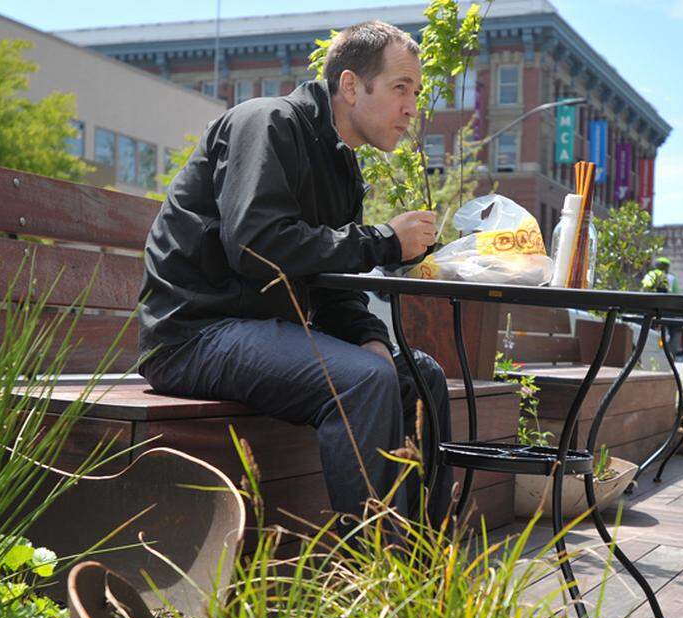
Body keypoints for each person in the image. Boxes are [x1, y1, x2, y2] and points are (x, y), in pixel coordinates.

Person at [136, 20, 452, 528]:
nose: (412, 108)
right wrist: (385, 240)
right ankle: (378, 575)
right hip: (194, 334)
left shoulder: (343, 167)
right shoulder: (268, 124)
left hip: (263, 334)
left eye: (415, 92)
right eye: (401, 89)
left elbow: (329, 284)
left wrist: (369, 336)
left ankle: (427, 564)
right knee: (364, 381)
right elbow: (257, 246)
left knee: (419, 374)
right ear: (351, 85)